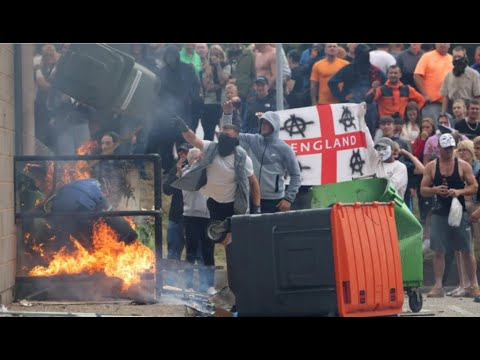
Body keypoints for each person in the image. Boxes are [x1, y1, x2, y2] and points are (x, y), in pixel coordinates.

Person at [171, 115, 261, 246]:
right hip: (213, 202)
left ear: (235, 140)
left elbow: (253, 183)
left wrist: (257, 207)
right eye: (222, 134)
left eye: (227, 135)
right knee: (219, 239)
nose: (223, 137)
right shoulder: (211, 148)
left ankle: (236, 262)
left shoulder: (242, 158)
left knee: (233, 240)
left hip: (232, 204)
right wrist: (184, 128)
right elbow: (194, 140)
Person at [420, 133, 480, 298]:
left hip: (459, 211)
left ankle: (474, 284)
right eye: (445, 149)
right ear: (439, 148)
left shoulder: (462, 166)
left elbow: (474, 186)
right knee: (438, 250)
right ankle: (438, 286)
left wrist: (459, 191)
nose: (448, 152)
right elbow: (423, 190)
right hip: (439, 211)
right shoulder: (432, 166)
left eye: (451, 149)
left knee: (466, 249)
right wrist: (435, 190)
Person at [222, 102, 301, 213]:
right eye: (262, 122)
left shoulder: (285, 149)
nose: (263, 125)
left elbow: (296, 175)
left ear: (275, 126)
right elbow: (228, 135)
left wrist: (288, 198)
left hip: (275, 201)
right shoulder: (252, 140)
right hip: (251, 197)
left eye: (267, 123)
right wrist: (227, 114)